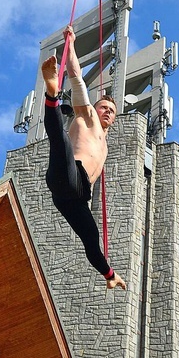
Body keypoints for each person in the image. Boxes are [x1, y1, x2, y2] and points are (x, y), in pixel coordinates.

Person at [41, 25, 127, 290]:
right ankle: (51, 92)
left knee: (91, 238)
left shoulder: (105, 145)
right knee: (60, 142)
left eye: (112, 111)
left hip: (77, 196)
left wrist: (110, 273)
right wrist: (72, 44)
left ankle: (110, 276)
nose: (107, 113)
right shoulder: (86, 115)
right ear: (94, 107)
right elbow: (76, 77)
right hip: (68, 171)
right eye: (104, 107)